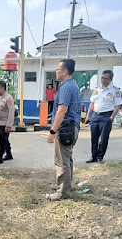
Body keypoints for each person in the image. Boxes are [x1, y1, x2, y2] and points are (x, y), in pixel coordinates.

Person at [46, 59, 81, 201]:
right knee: (67, 160)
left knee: (61, 161)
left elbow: (62, 111)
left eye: (57, 70)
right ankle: (65, 187)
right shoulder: (72, 85)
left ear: (65, 71)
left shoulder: (66, 87)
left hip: (65, 128)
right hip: (72, 127)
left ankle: (63, 193)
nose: (56, 72)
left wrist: (52, 131)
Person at [85, 70, 122, 164]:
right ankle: (93, 156)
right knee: (94, 138)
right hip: (96, 116)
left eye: (105, 78)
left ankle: (100, 157)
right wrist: (88, 115)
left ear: (110, 79)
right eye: (102, 78)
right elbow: (92, 103)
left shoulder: (115, 90)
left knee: (104, 138)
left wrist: (111, 117)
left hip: (106, 116)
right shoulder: (97, 89)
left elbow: (118, 106)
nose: (103, 80)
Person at [0, 81, 15, 165]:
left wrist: (8, 125)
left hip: (5, 123)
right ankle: (9, 154)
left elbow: (11, 112)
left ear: (2, 88)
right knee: (5, 139)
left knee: (2, 140)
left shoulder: (9, 98)